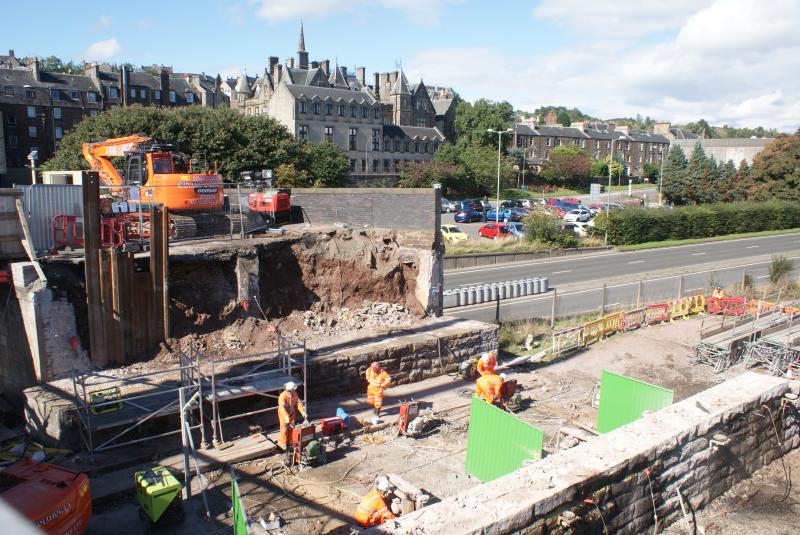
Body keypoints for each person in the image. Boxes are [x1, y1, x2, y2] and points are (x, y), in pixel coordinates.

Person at [277, 382, 307, 450]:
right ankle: (283, 442)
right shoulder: (282, 396)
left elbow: (298, 403)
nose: (292, 391)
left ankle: (290, 441)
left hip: (292, 414)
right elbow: (281, 407)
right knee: (284, 428)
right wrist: (285, 416)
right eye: (292, 390)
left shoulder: (295, 394)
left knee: (291, 428)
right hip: (283, 415)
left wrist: (302, 411)